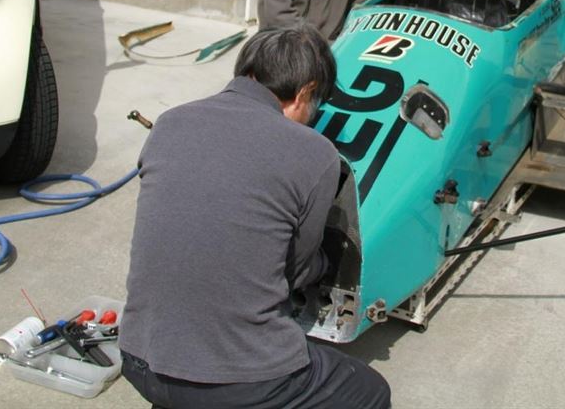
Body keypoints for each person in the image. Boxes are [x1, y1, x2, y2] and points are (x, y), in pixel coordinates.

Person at [119, 26, 392, 409]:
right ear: (305, 92)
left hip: (138, 357)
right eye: (316, 103)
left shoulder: (170, 122)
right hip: (236, 380)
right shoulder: (315, 153)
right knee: (371, 392)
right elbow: (294, 272)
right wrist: (326, 262)